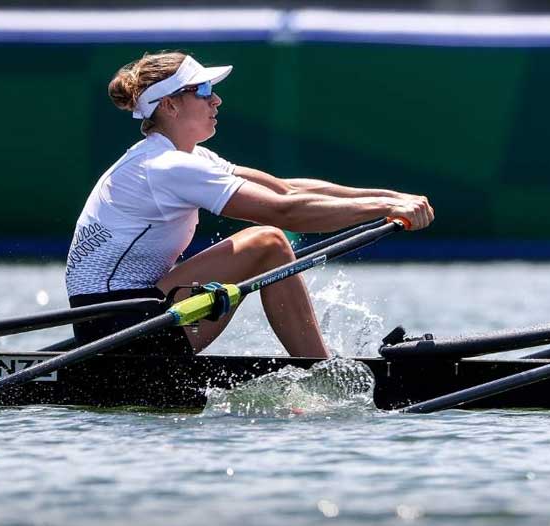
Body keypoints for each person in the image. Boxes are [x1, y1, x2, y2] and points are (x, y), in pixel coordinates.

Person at [65, 51, 433, 358]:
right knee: (268, 243)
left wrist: (391, 199)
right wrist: (385, 206)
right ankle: (320, 370)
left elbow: (284, 190)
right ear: (170, 105)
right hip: (119, 331)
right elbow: (283, 212)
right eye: (204, 90)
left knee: (269, 243)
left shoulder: (188, 157)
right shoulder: (166, 166)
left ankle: (315, 362)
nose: (216, 99)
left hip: (133, 317)